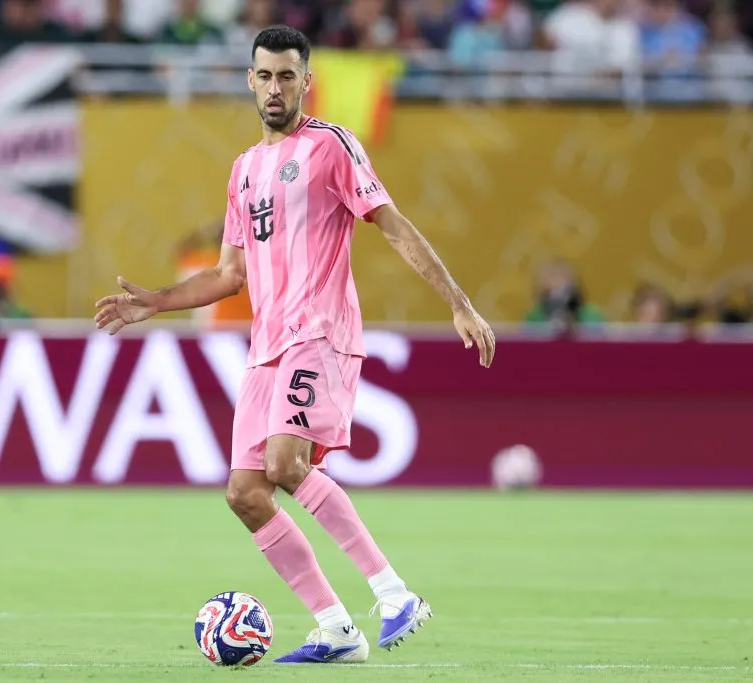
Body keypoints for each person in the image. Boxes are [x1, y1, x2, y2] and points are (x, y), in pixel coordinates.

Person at [94, 25, 495, 664]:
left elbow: (392, 226)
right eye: (265, 75)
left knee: (285, 463)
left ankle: (394, 594)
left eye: (288, 75)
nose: (276, 87)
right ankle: (336, 628)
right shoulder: (243, 170)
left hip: (322, 332)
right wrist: (158, 302)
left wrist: (459, 303)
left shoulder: (331, 146)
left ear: (306, 81)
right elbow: (230, 275)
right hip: (267, 344)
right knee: (245, 493)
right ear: (250, 81)